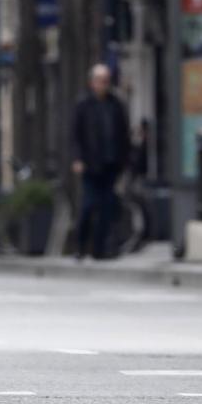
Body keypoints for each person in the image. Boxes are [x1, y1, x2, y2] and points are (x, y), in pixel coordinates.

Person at [71, 63, 131, 261]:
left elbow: (123, 134)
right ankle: (80, 246)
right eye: (99, 80)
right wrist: (77, 158)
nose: (103, 84)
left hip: (110, 164)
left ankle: (99, 249)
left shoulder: (116, 105)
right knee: (88, 206)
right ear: (92, 82)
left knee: (106, 208)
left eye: (106, 81)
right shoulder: (83, 105)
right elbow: (75, 135)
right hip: (90, 164)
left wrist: (124, 159)